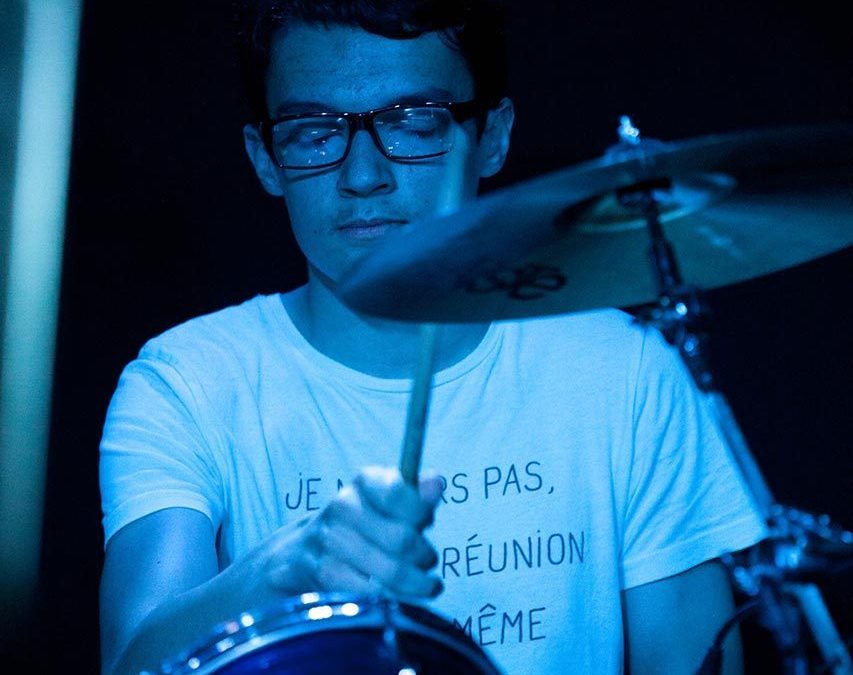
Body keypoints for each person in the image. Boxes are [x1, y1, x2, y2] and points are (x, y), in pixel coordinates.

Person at [98, 1, 768, 673]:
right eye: (313, 133)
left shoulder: (622, 370)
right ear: (265, 157)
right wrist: (280, 570)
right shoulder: (187, 383)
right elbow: (132, 660)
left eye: (413, 122)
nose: (363, 176)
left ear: (492, 136)